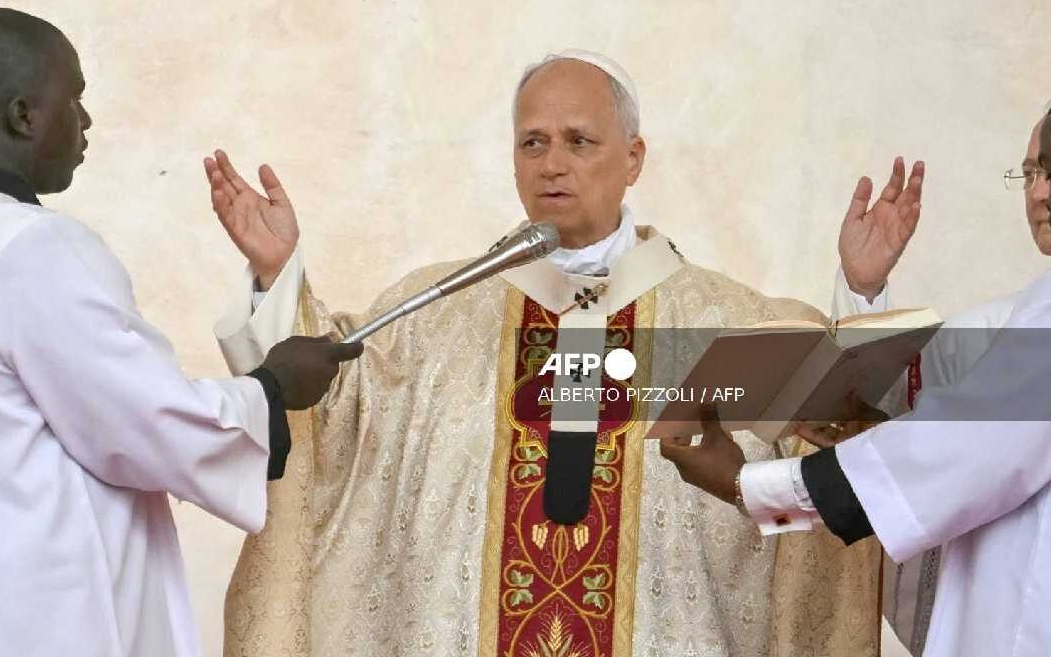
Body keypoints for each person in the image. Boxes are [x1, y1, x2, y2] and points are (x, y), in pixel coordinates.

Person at [210, 50, 920, 657]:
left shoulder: (719, 321)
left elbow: (838, 442)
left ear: (634, 158)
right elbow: (329, 417)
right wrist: (280, 276)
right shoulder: (436, 315)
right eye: (533, 142)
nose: (553, 164)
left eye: (580, 141)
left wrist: (862, 292)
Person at [0, 7, 360, 656]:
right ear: (24, 115)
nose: (86, 123)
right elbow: (146, 422)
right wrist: (273, 387)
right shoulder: (28, 250)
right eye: (76, 100)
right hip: (25, 624)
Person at [660, 110, 1051, 657]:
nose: (1040, 192)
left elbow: (953, 454)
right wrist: (865, 291)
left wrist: (748, 487)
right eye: (1031, 172)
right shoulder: (1010, 319)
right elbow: (910, 418)